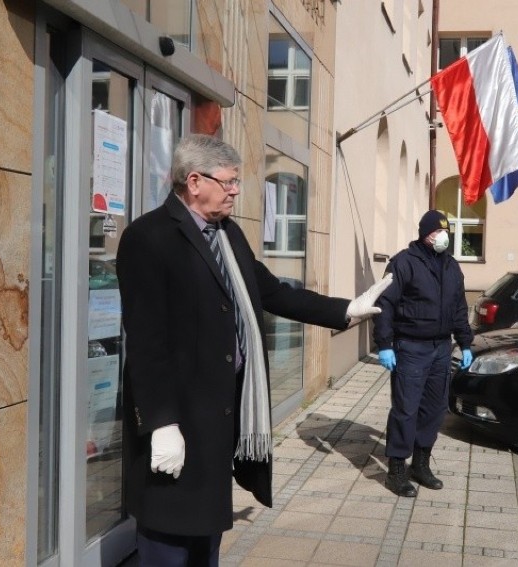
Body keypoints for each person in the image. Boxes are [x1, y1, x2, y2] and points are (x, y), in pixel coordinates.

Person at [116, 134, 391, 566]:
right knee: (168, 539)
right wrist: (160, 422)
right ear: (194, 181)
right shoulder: (148, 238)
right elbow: (146, 341)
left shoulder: (227, 235)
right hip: (178, 419)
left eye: (235, 181)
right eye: (227, 182)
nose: (235, 190)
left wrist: (348, 309)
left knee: (205, 539)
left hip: (219, 416)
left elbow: (274, 293)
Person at [373, 210, 473, 497]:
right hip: (411, 348)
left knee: (434, 408)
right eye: (436, 232)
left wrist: (465, 343)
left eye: (445, 232)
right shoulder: (403, 263)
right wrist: (384, 344)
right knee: (406, 409)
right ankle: (396, 470)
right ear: (424, 234)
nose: (442, 237)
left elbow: (458, 309)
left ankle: (420, 464)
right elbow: (384, 304)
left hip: (441, 348)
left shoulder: (451, 266)